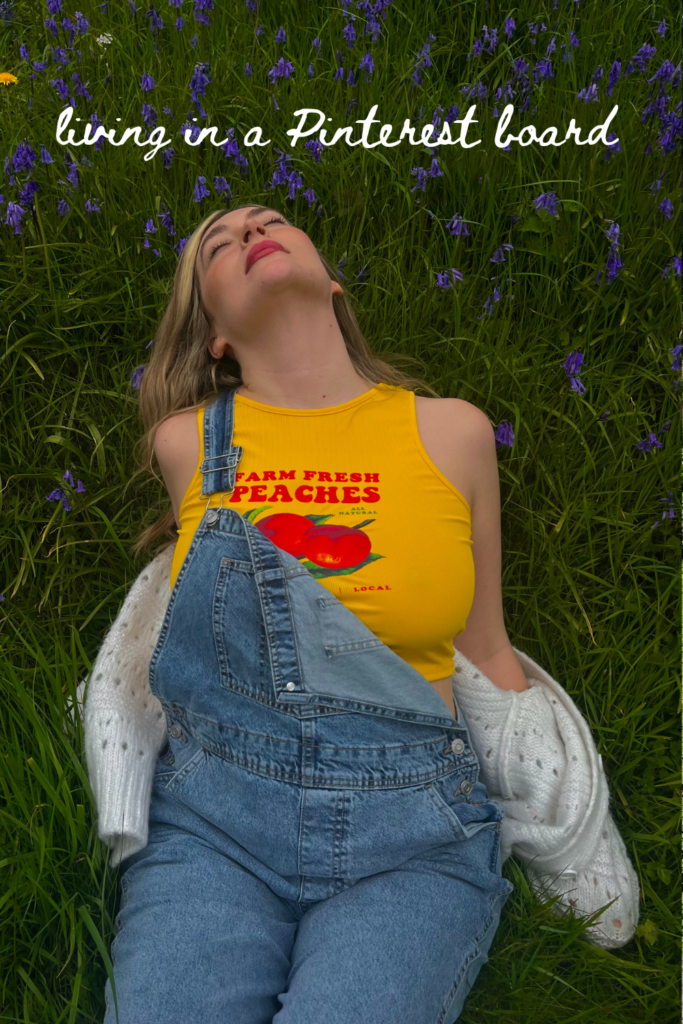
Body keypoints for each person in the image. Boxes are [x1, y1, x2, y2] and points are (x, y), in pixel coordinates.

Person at [102, 202, 530, 1024]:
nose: (250, 234)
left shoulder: (452, 432)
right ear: (213, 335)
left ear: (331, 281)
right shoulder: (187, 444)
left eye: (268, 222)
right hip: (215, 814)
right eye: (219, 247)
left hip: (412, 827)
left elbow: (486, 646)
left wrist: (549, 808)